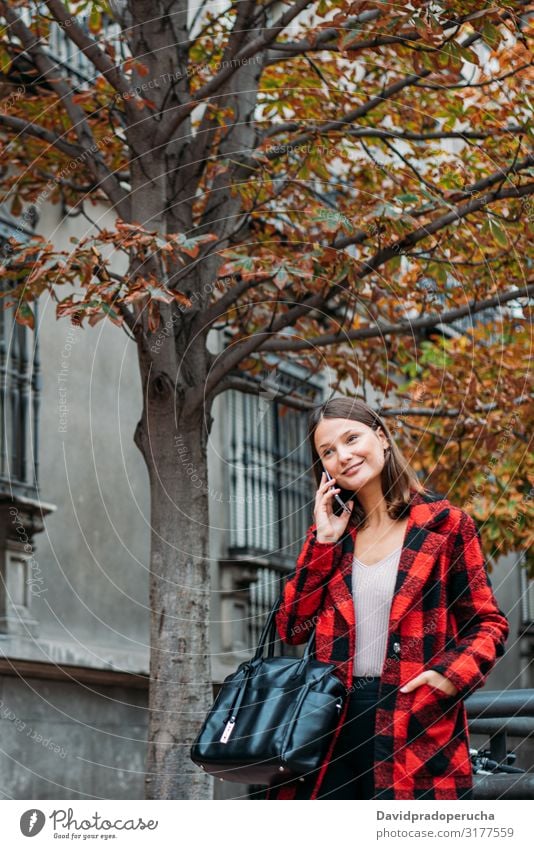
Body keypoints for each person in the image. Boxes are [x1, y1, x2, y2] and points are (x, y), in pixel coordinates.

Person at [264, 397, 509, 800]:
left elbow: (488, 623)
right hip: (330, 725)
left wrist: (447, 678)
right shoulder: (331, 536)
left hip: (414, 717)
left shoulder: (446, 526)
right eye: (328, 451)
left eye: (351, 438)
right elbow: (291, 627)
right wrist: (323, 541)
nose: (342, 456)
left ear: (380, 437)